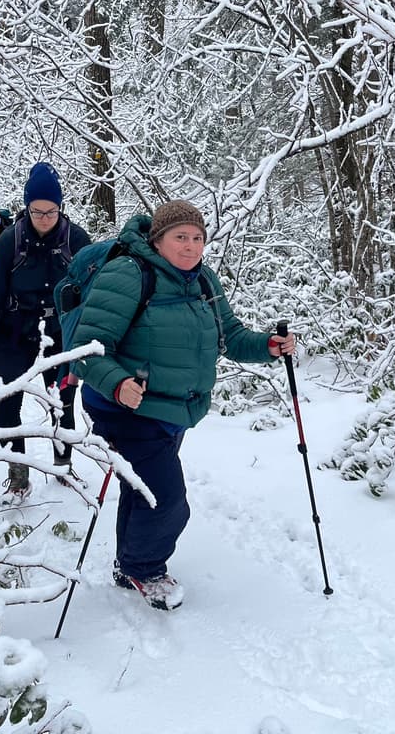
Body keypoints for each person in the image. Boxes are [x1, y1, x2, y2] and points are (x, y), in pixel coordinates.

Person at [68, 200, 296, 611]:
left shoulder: (203, 280)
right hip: (127, 410)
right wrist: (118, 384)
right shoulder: (128, 275)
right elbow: (88, 349)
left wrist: (268, 346)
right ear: (157, 240)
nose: (191, 246)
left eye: (197, 238)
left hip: (173, 412)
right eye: (181, 237)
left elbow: (230, 336)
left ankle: (128, 564)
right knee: (168, 500)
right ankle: (144, 568)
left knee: (143, 488)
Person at [0, 162, 91, 506]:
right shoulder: (11, 240)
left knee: (62, 401)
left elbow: (97, 292)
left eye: (51, 211)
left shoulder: (76, 239)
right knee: (6, 403)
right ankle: (18, 477)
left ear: (60, 207)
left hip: (59, 331)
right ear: (27, 208)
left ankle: (63, 466)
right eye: (37, 211)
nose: (44, 218)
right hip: (14, 329)